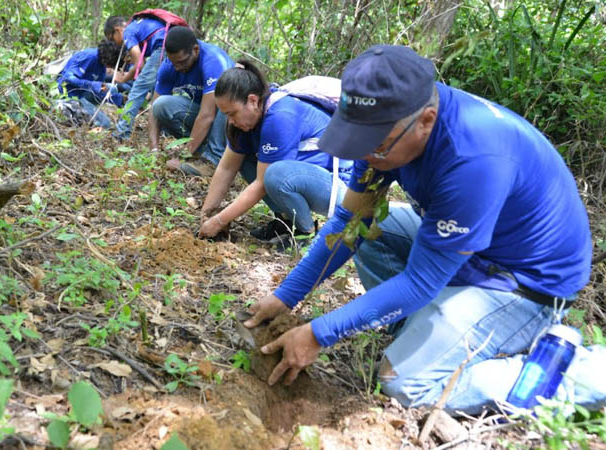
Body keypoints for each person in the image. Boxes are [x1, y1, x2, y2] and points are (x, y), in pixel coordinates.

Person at [243, 44, 605, 415]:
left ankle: (575, 373)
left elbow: (421, 281)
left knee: (403, 383)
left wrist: (319, 333)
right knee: (369, 231)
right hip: (470, 250)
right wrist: (286, 296)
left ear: (427, 121)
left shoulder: (472, 161)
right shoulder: (393, 126)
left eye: (375, 146)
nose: (365, 156)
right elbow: (351, 223)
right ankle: (419, 332)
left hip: (524, 284)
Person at [197, 60, 352, 248]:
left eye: (232, 113)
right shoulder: (249, 122)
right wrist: (206, 214)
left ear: (253, 101)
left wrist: (219, 221)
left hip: (342, 189)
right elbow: (227, 167)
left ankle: (305, 234)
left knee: (275, 174)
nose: (230, 121)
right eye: (226, 115)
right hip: (307, 179)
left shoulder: (280, 117)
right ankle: (285, 223)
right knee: (248, 160)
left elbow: (262, 183)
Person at [150, 26, 233, 177]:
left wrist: (183, 157)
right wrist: (154, 149)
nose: (178, 67)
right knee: (161, 105)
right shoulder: (170, 66)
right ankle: (201, 152)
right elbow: (154, 110)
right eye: (174, 63)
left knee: (227, 98)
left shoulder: (212, 61)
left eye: (182, 62)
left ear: (195, 50)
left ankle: (213, 160)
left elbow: (207, 115)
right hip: (203, 111)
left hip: (228, 121)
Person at [104, 13, 178, 140]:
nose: (115, 43)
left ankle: (122, 132)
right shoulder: (137, 25)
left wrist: (124, 78)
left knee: (137, 90)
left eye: (112, 39)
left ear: (117, 30)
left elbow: (140, 63)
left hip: (162, 49)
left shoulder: (128, 31)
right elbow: (140, 59)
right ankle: (166, 131)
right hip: (173, 47)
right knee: (160, 91)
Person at [56, 40, 126, 129]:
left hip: (83, 92)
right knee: (105, 124)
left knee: (112, 88)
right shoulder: (90, 57)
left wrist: (119, 99)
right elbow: (67, 77)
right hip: (70, 95)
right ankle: (86, 124)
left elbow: (99, 90)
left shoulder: (102, 64)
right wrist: (91, 85)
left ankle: (89, 113)